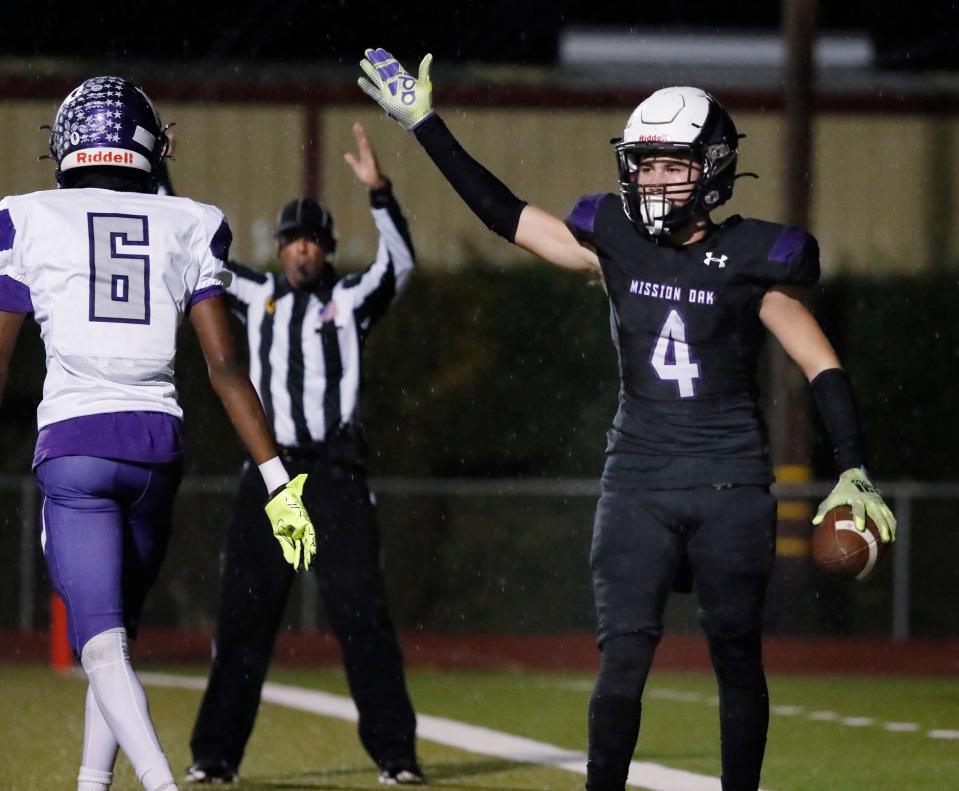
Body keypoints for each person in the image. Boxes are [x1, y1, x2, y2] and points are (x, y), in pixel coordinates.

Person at [357, 49, 898, 791]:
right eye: (643, 164)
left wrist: (853, 463)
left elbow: (819, 362)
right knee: (622, 657)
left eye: (670, 165)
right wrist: (426, 125)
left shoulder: (750, 256)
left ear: (710, 168)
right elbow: (506, 213)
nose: (651, 180)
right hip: (637, 478)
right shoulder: (610, 239)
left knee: (736, 654)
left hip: (729, 481)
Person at [0, 76, 316, 791]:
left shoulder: (25, 216)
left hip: (76, 450)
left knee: (101, 646)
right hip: (155, 452)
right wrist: (277, 484)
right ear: (148, 144)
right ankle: (91, 783)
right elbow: (225, 365)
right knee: (115, 641)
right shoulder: (189, 222)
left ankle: (158, 782)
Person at [185, 122, 422, 786]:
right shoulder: (255, 296)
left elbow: (399, 263)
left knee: (361, 617)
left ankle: (396, 754)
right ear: (280, 247)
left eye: (314, 241)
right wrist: (158, 182)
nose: (303, 251)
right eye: (294, 239)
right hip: (270, 474)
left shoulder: (347, 303)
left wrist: (379, 192)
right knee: (245, 617)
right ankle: (215, 754)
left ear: (325, 251)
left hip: (334, 473)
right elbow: (191, 255)